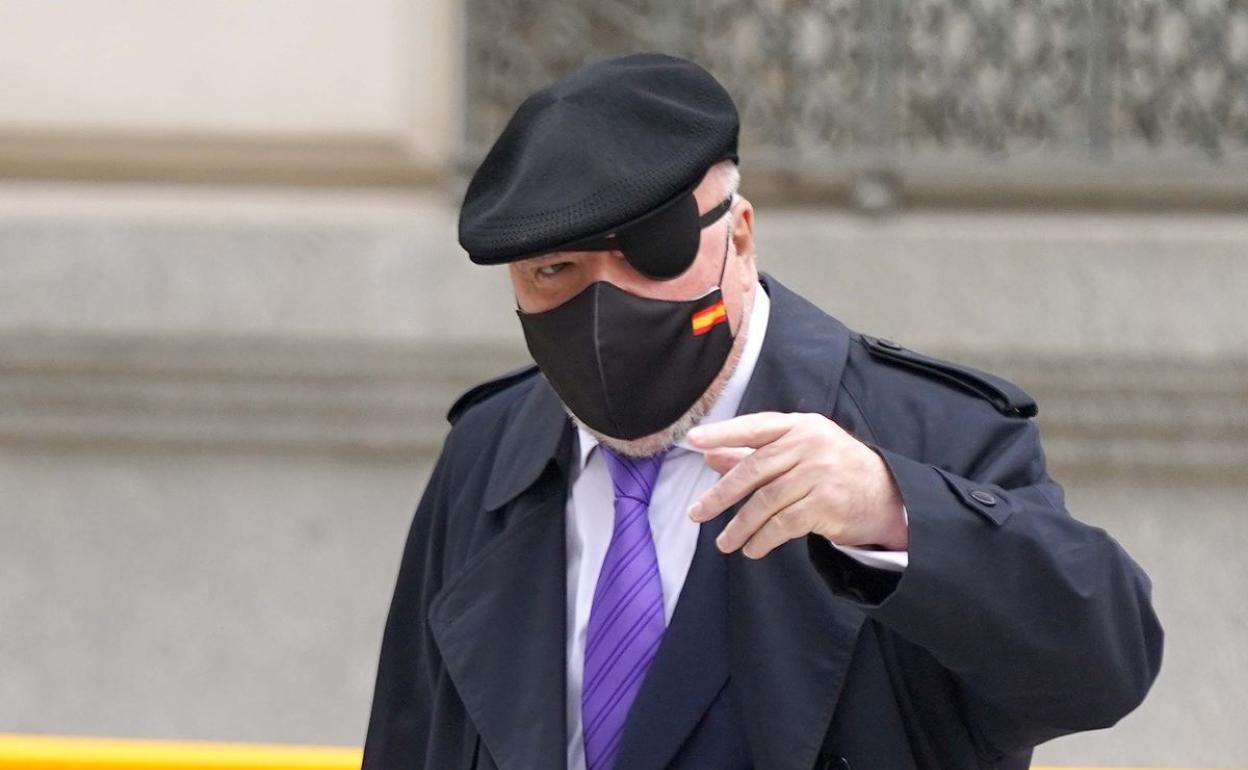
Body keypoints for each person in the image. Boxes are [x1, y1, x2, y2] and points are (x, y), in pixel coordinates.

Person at [361, 53, 1163, 770]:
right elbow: (410, 732)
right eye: (555, 270)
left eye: (650, 253)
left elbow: (1103, 666)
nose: (605, 307)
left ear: (739, 237)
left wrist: (896, 513)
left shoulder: (923, 432)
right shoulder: (488, 454)